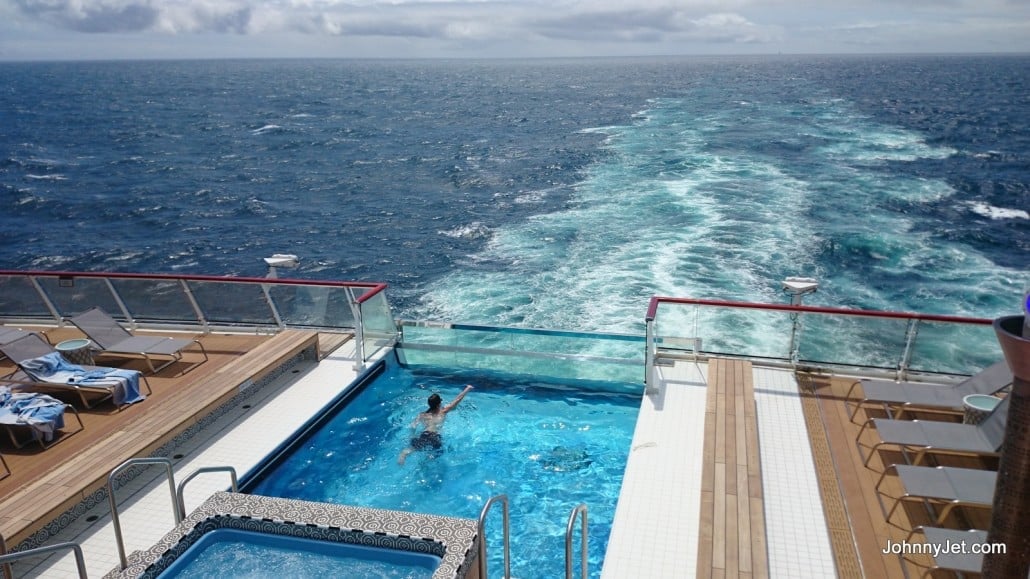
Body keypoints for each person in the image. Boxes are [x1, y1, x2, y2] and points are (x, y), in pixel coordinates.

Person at [398, 384, 473, 465]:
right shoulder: (443, 412)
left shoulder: (422, 414)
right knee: (437, 455)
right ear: (438, 404)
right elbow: (457, 400)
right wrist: (467, 389)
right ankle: (425, 463)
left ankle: (404, 453)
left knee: (414, 448)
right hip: (435, 436)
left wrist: (412, 436)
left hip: (424, 434)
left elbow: (413, 426)